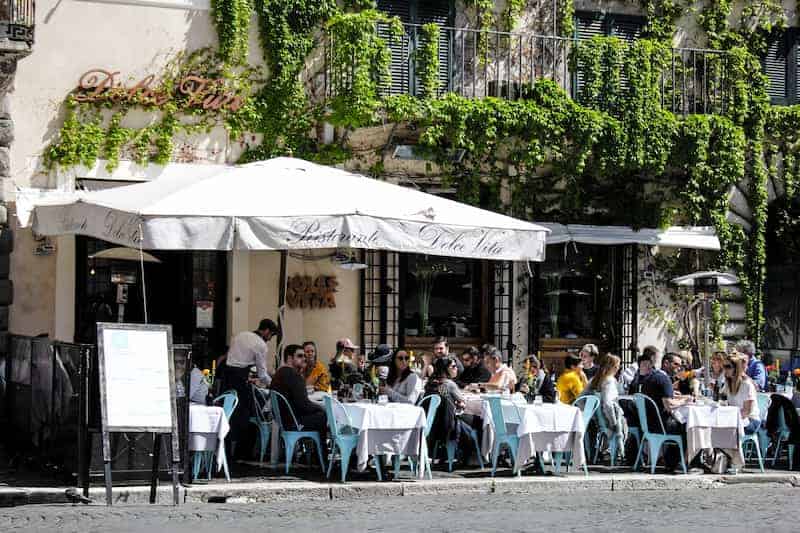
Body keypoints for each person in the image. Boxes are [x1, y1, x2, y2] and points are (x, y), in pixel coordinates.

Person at [224, 318, 279, 456]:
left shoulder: (240, 335)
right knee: (246, 414)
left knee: (227, 412)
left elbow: (235, 360)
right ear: (266, 331)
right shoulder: (260, 344)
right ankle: (242, 452)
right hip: (240, 381)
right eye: (271, 335)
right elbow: (262, 374)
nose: (270, 339)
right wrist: (275, 384)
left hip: (227, 378)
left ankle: (225, 448)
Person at [631, 352, 690, 472]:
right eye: (676, 364)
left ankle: (670, 461)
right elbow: (669, 405)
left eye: (680, 365)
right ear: (666, 363)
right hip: (660, 425)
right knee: (689, 427)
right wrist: (685, 401)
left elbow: (659, 396)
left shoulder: (649, 377)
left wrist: (678, 397)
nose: (679, 368)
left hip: (647, 425)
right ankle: (679, 463)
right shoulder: (664, 379)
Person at [270, 344, 328, 439]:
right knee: (324, 416)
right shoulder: (293, 375)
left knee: (318, 414)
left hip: (282, 421)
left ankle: (313, 449)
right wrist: (321, 408)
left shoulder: (280, 372)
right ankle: (320, 452)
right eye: (300, 356)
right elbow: (304, 405)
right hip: (292, 423)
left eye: (304, 356)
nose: (304, 358)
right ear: (289, 358)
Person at [586, 354, 628, 458]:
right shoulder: (609, 381)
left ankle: (606, 449)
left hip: (598, 419)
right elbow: (608, 404)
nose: (619, 368)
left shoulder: (594, 380)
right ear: (613, 367)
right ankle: (618, 452)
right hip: (608, 420)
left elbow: (581, 398)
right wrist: (612, 422)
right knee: (627, 421)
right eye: (618, 365)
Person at [720, 354, 761, 435]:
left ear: (736, 368)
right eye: (724, 366)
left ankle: (728, 447)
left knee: (724, 430)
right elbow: (721, 399)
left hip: (750, 420)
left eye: (728, 366)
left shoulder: (746, 385)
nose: (725, 369)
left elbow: (747, 411)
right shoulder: (728, 383)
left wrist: (729, 418)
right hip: (734, 418)